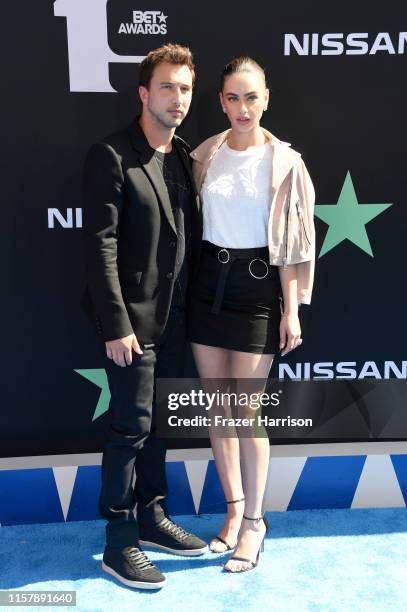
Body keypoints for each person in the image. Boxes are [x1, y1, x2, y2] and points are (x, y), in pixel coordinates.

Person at [80, 43, 207, 590]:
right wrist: (116, 326)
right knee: (129, 430)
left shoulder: (182, 155)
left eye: (185, 89)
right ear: (143, 93)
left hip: (176, 320)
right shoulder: (111, 155)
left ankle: (153, 518)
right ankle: (117, 542)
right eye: (167, 87)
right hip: (131, 324)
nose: (177, 98)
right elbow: (99, 247)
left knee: (158, 428)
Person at [187, 56, 315, 573]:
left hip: (259, 291)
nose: (243, 108)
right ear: (221, 101)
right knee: (218, 410)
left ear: (266, 98)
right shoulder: (203, 155)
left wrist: (293, 308)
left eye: (252, 97)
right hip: (205, 288)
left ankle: (257, 523)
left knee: (247, 413)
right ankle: (233, 513)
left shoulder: (286, 162)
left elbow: (295, 241)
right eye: (233, 98)